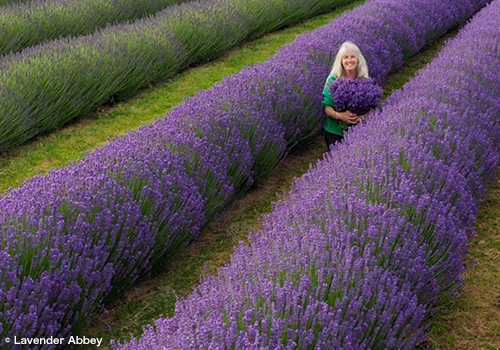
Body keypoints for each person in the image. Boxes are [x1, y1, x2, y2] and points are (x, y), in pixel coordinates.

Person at [322, 41, 370, 149]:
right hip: (335, 130)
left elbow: (371, 108)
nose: (349, 60)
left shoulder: (364, 80)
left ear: (358, 60)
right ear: (341, 61)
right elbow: (327, 107)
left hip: (358, 129)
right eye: (345, 57)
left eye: (352, 57)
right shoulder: (333, 79)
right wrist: (340, 116)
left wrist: (361, 117)